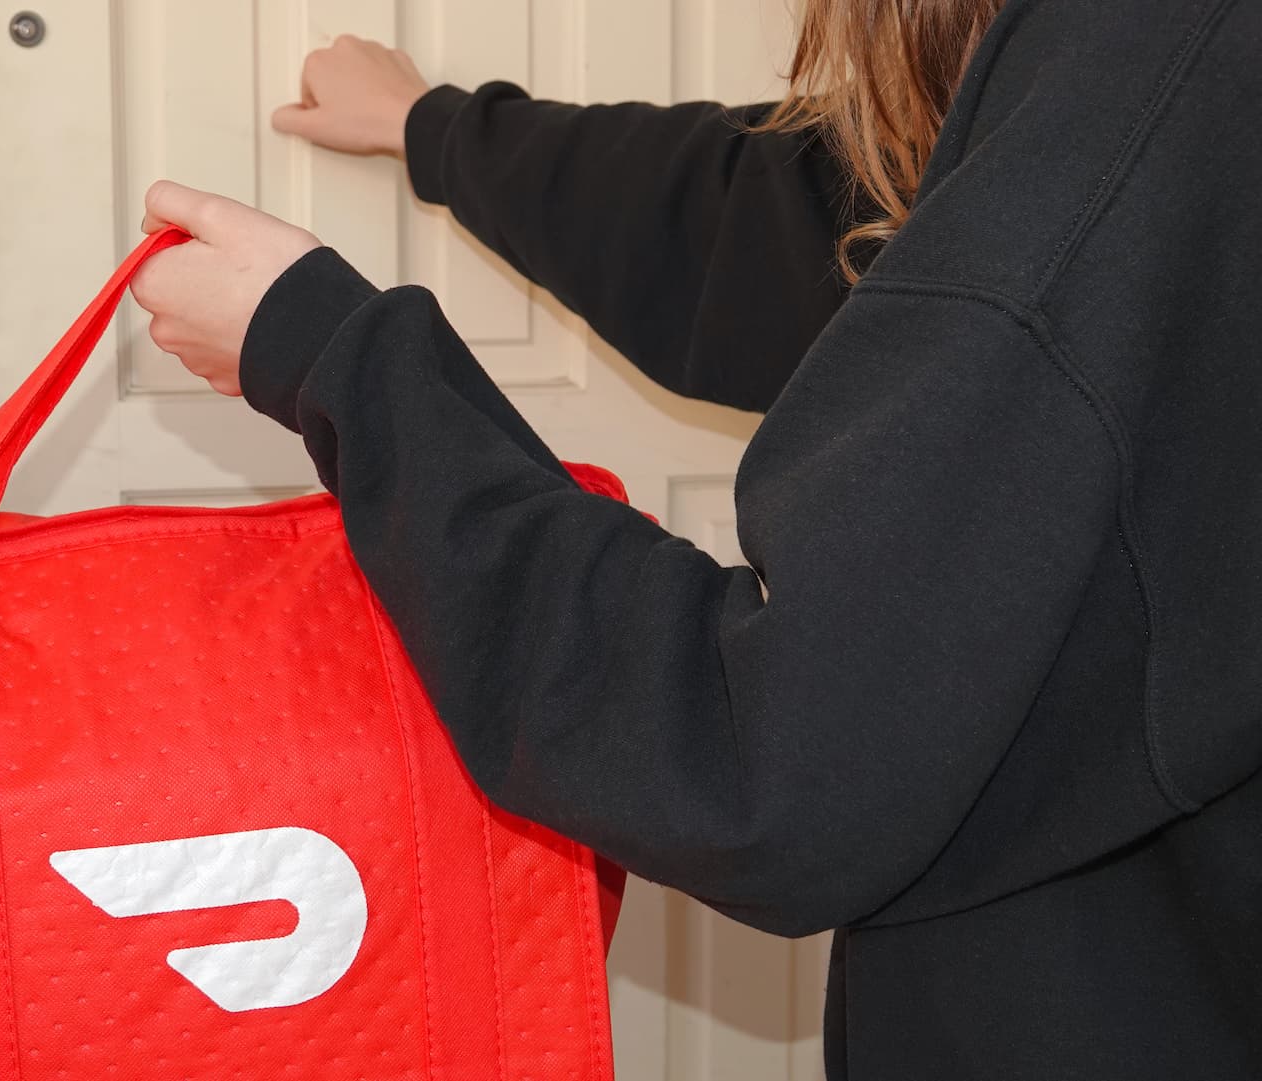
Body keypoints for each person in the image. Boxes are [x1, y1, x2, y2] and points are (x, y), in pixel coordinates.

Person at [127, 1, 1262, 1078]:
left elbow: (764, 752)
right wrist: (435, 129)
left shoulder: (1159, 63)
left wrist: (334, 359)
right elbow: (811, 212)